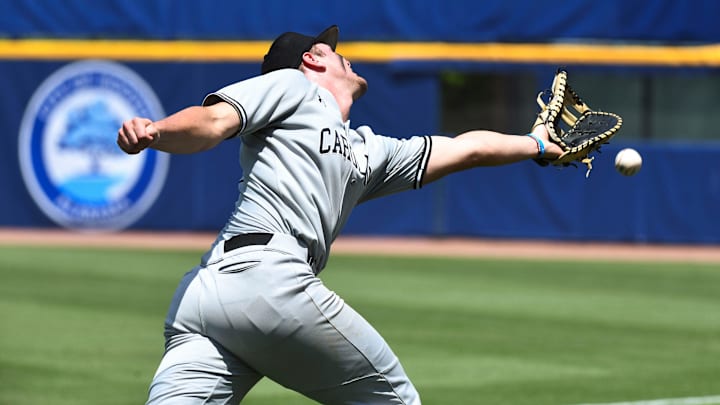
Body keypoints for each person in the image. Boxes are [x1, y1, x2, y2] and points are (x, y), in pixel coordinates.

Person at [117, 25, 562, 405]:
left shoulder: (369, 151)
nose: (343, 53)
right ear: (311, 60)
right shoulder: (292, 87)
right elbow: (213, 122)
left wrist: (537, 143)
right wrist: (157, 131)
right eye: (330, 48)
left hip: (206, 297)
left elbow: (466, 149)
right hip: (269, 279)